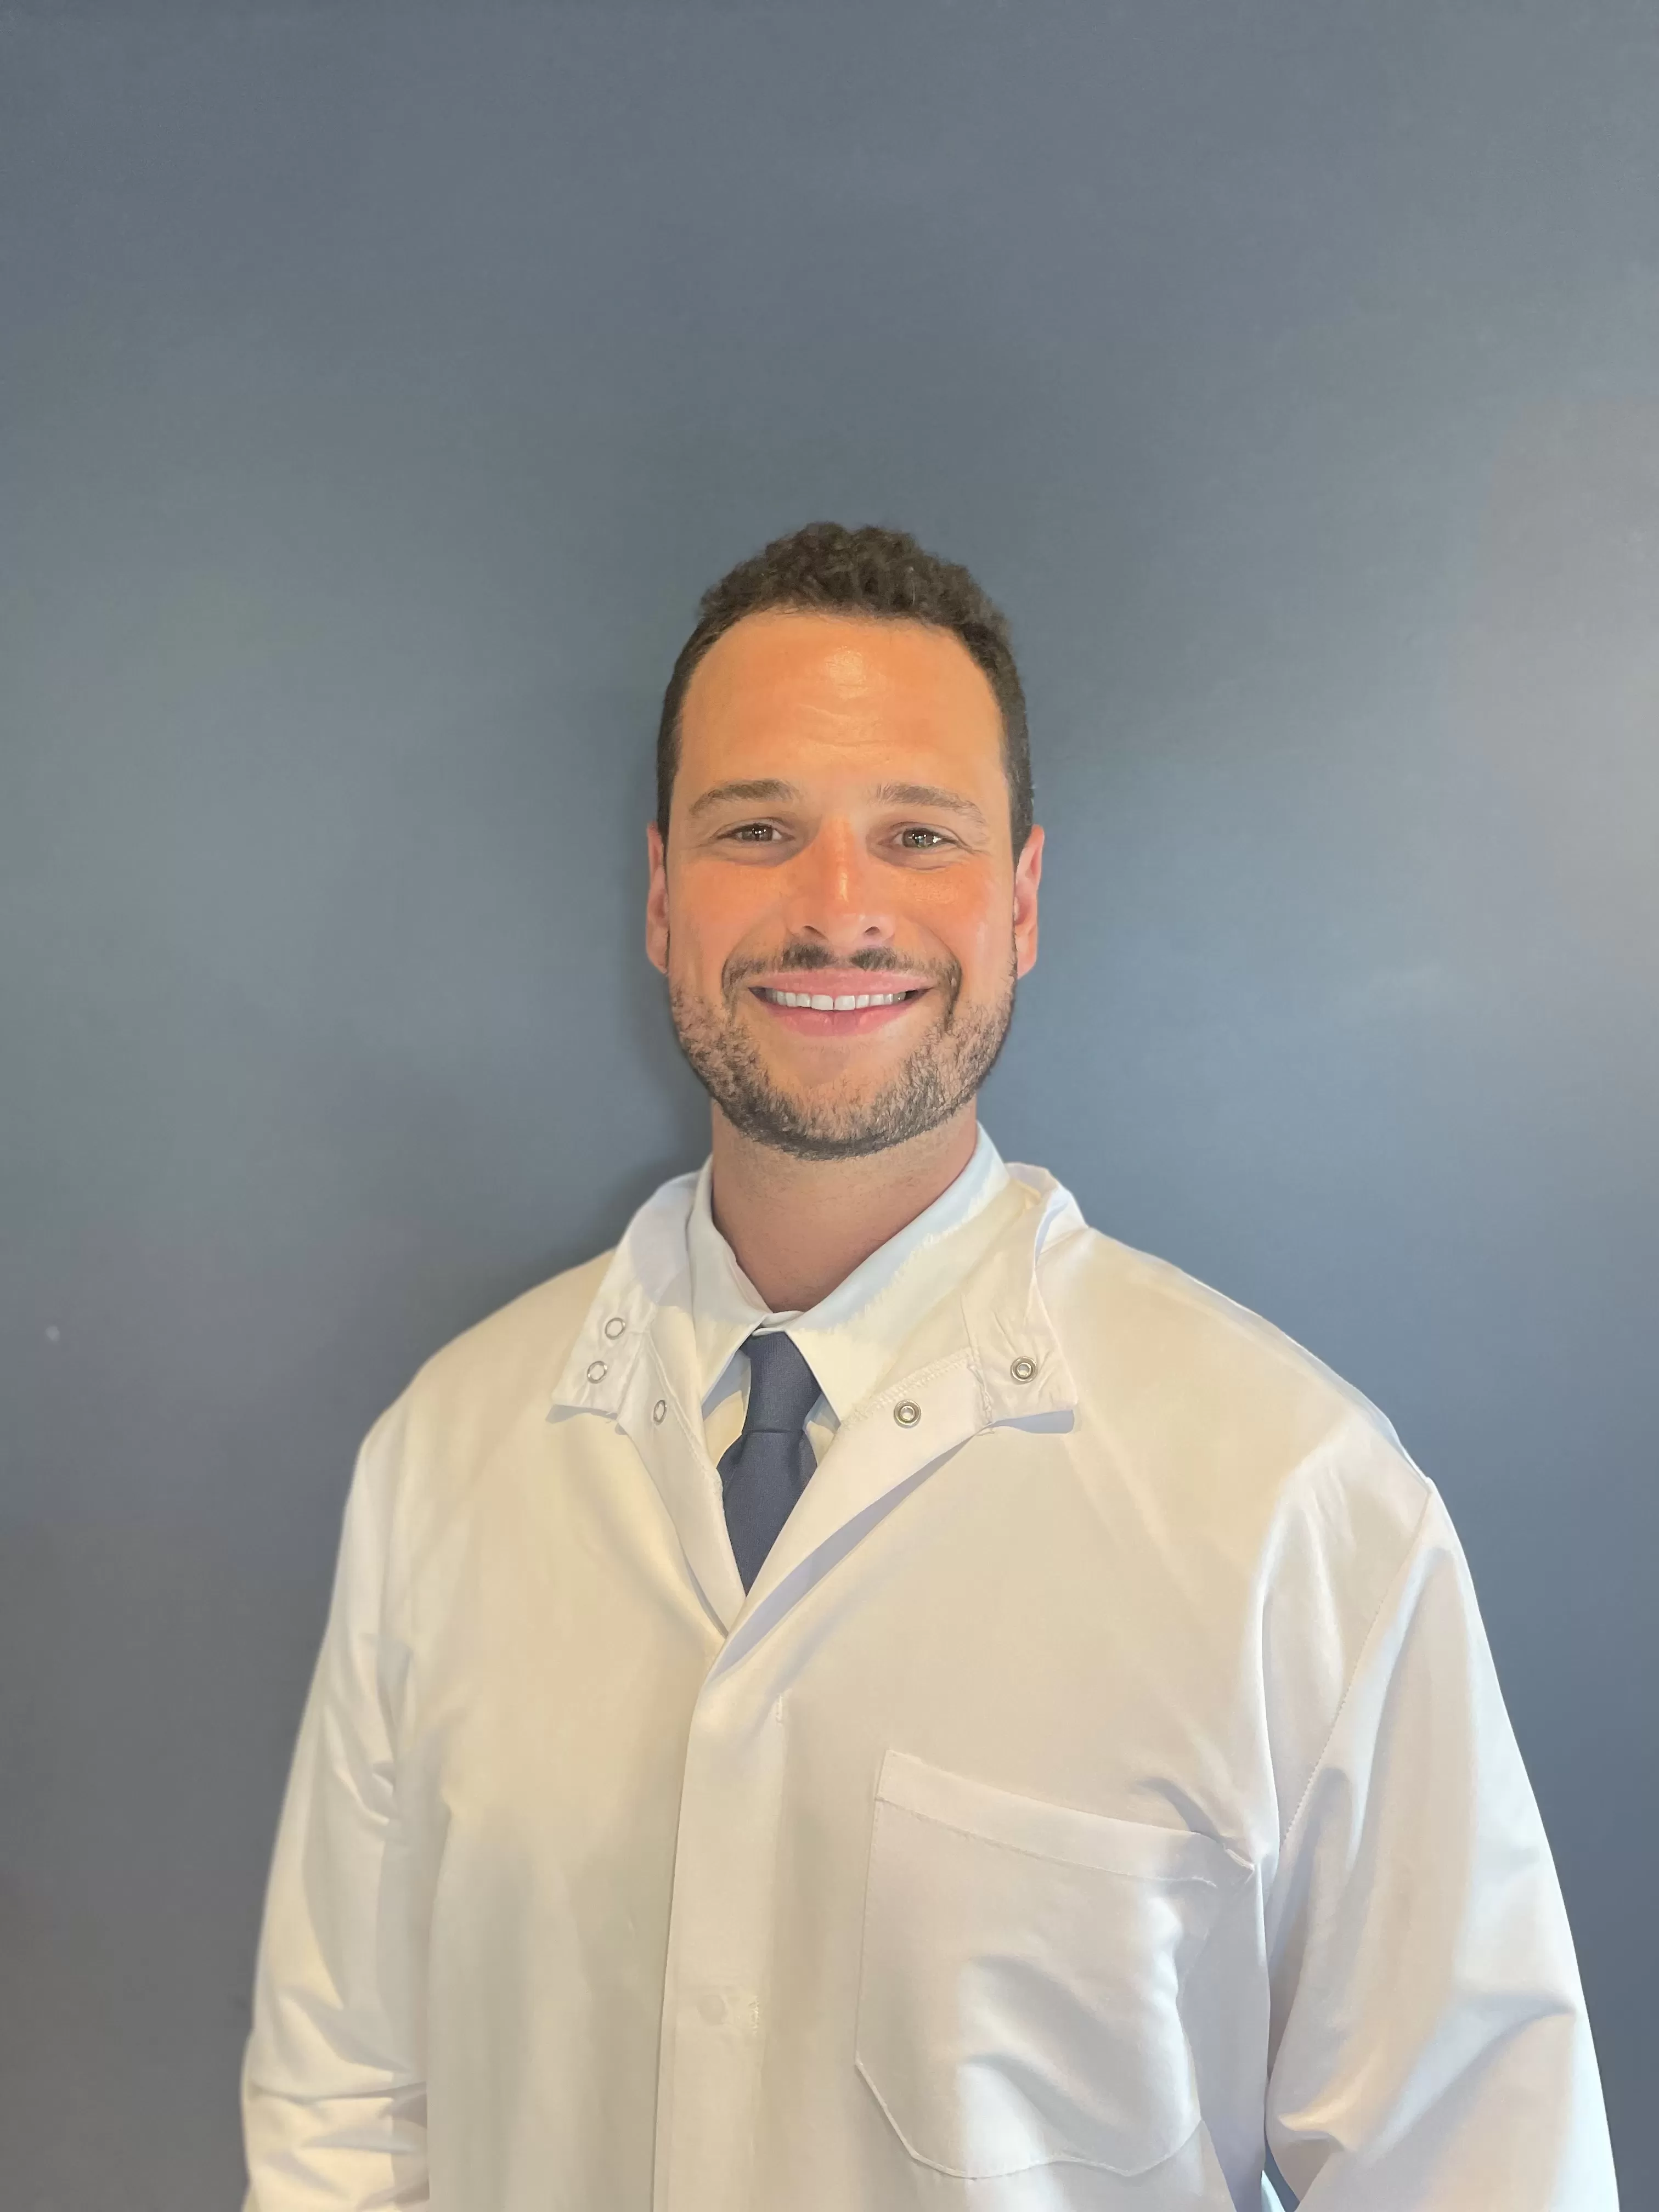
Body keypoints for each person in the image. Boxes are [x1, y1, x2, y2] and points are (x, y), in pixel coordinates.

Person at [240, 522, 1617, 2210]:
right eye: (760, 831)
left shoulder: (1298, 1508)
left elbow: (1480, 2163)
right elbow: (346, 2113)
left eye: (918, 834)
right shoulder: (446, 1457)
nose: (840, 910)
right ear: (662, 897)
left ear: (1020, 901)